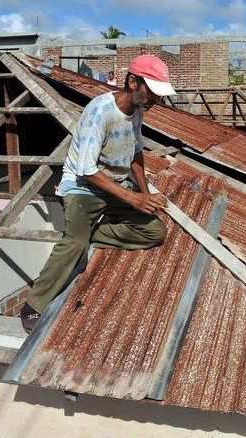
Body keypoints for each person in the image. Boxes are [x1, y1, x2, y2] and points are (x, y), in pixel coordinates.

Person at [19, 55, 176, 333]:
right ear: (132, 82)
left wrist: (145, 193)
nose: (156, 101)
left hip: (115, 186)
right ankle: (33, 305)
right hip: (83, 189)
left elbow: (136, 154)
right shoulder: (100, 112)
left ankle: (92, 230)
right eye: (152, 92)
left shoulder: (137, 111)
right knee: (75, 245)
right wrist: (133, 199)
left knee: (155, 232)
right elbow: (87, 170)